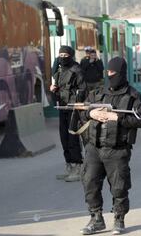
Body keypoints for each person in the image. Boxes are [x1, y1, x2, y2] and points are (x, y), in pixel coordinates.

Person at [80, 57, 141, 235]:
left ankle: (119, 218)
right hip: (94, 147)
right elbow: (82, 112)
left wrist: (117, 117)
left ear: (121, 73)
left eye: (113, 73)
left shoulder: (133, 96)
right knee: (89, 182)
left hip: (117, 148)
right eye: (108, 72)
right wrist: (91, 112)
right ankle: (96, 219)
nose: (110, 76)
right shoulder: (97, 93)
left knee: (119, 186)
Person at [50, 45, 87, 182]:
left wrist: (77, 103)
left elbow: (83, 89)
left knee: (72, 138)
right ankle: (69, 166)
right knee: (63, 138)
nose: (63, 58)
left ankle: (78, 167)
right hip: (62, 107)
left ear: (70, 56)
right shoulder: (59, 70)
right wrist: (54, 89)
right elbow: (58, 86)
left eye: (65, 56)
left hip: (73, 108)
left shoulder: (76, 70)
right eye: (61, 55)